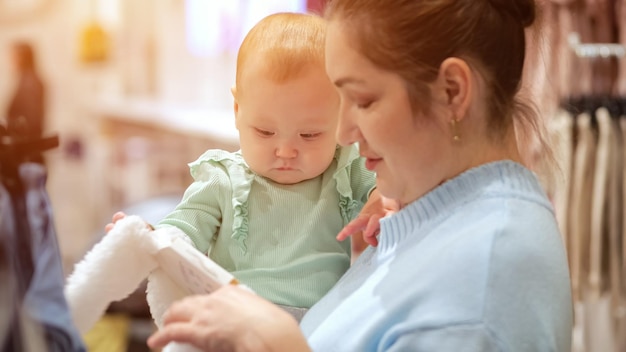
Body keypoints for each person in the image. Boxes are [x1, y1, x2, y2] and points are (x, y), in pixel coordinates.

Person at [146, 0, 574, 351]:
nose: (344, 133)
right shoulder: (430, 212)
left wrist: (277, 343)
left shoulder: (486, 284)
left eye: (364, 101)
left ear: (452, 92)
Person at [107, 12, 380, 320]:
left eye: (310, 135)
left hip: (321, 324)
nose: (286, 150)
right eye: (265, 132)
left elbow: (389, 188)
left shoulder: (344, 167)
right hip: (236, 319)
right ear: (237, 110)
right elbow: (183, 228)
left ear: (340, 117)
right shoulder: (223, 179)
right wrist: (151, 237)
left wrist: (381, 201)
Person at [5, 41, 46, 164]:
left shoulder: (30, 84)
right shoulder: (28, 81)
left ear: (22, 58)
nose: (11, 61)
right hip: (27, 152)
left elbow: (31, 123)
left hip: (27, 154)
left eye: (14, 57)